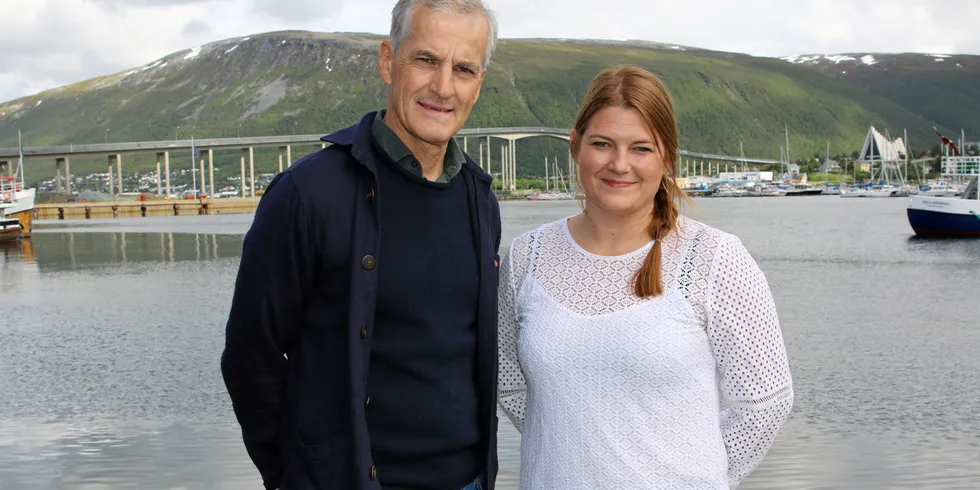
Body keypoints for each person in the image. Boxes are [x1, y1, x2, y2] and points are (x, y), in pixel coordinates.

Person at [220, 1, 502, 489]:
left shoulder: (480, 198)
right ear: (388, 61)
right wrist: (296, 476)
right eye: (426, 60)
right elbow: (251, 358)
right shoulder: (307, 195)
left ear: (479, 82)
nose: (443, 87)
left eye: (463, 69)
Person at [496, 65, 794, 489]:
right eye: (602, 144)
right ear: (575, 146)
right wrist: (579, 455)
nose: (620, 165)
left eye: (641, 148)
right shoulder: (528, 256)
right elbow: (510, 387)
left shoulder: (715, 260)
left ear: (667, 157)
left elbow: (765, 404)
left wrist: (692, 476)